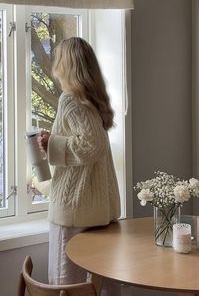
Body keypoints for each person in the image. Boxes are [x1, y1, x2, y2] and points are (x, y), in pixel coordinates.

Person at [37, 37, 121, 286]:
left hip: (74, 211)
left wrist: (52, 142)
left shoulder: (71, 100)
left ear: (67, 64)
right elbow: (93, 145)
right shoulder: (93, 101)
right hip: (96, 207)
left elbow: (90, 145)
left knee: (66, 284)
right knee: (100, 282)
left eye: (58, 58)